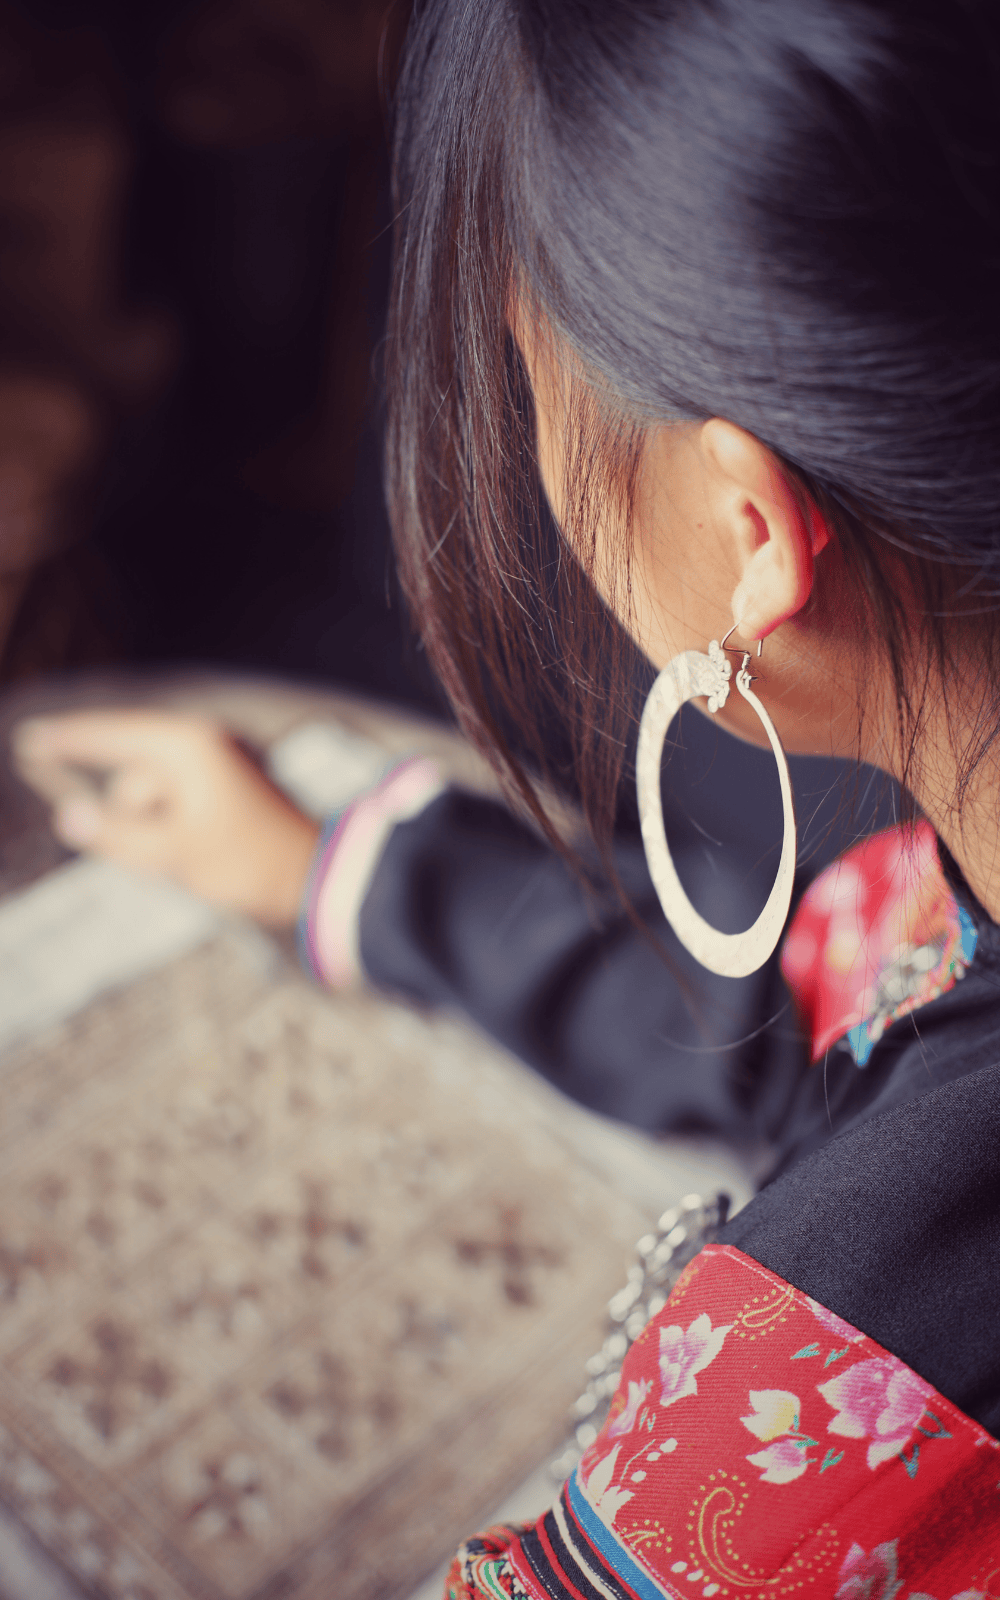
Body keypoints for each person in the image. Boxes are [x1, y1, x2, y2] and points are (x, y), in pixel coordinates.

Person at [12, 0, 1000, 1585]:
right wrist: (339, 874)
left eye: (533, 380)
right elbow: (827, 1048)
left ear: (752, 532)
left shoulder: (818, 1434)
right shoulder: (938, 906)